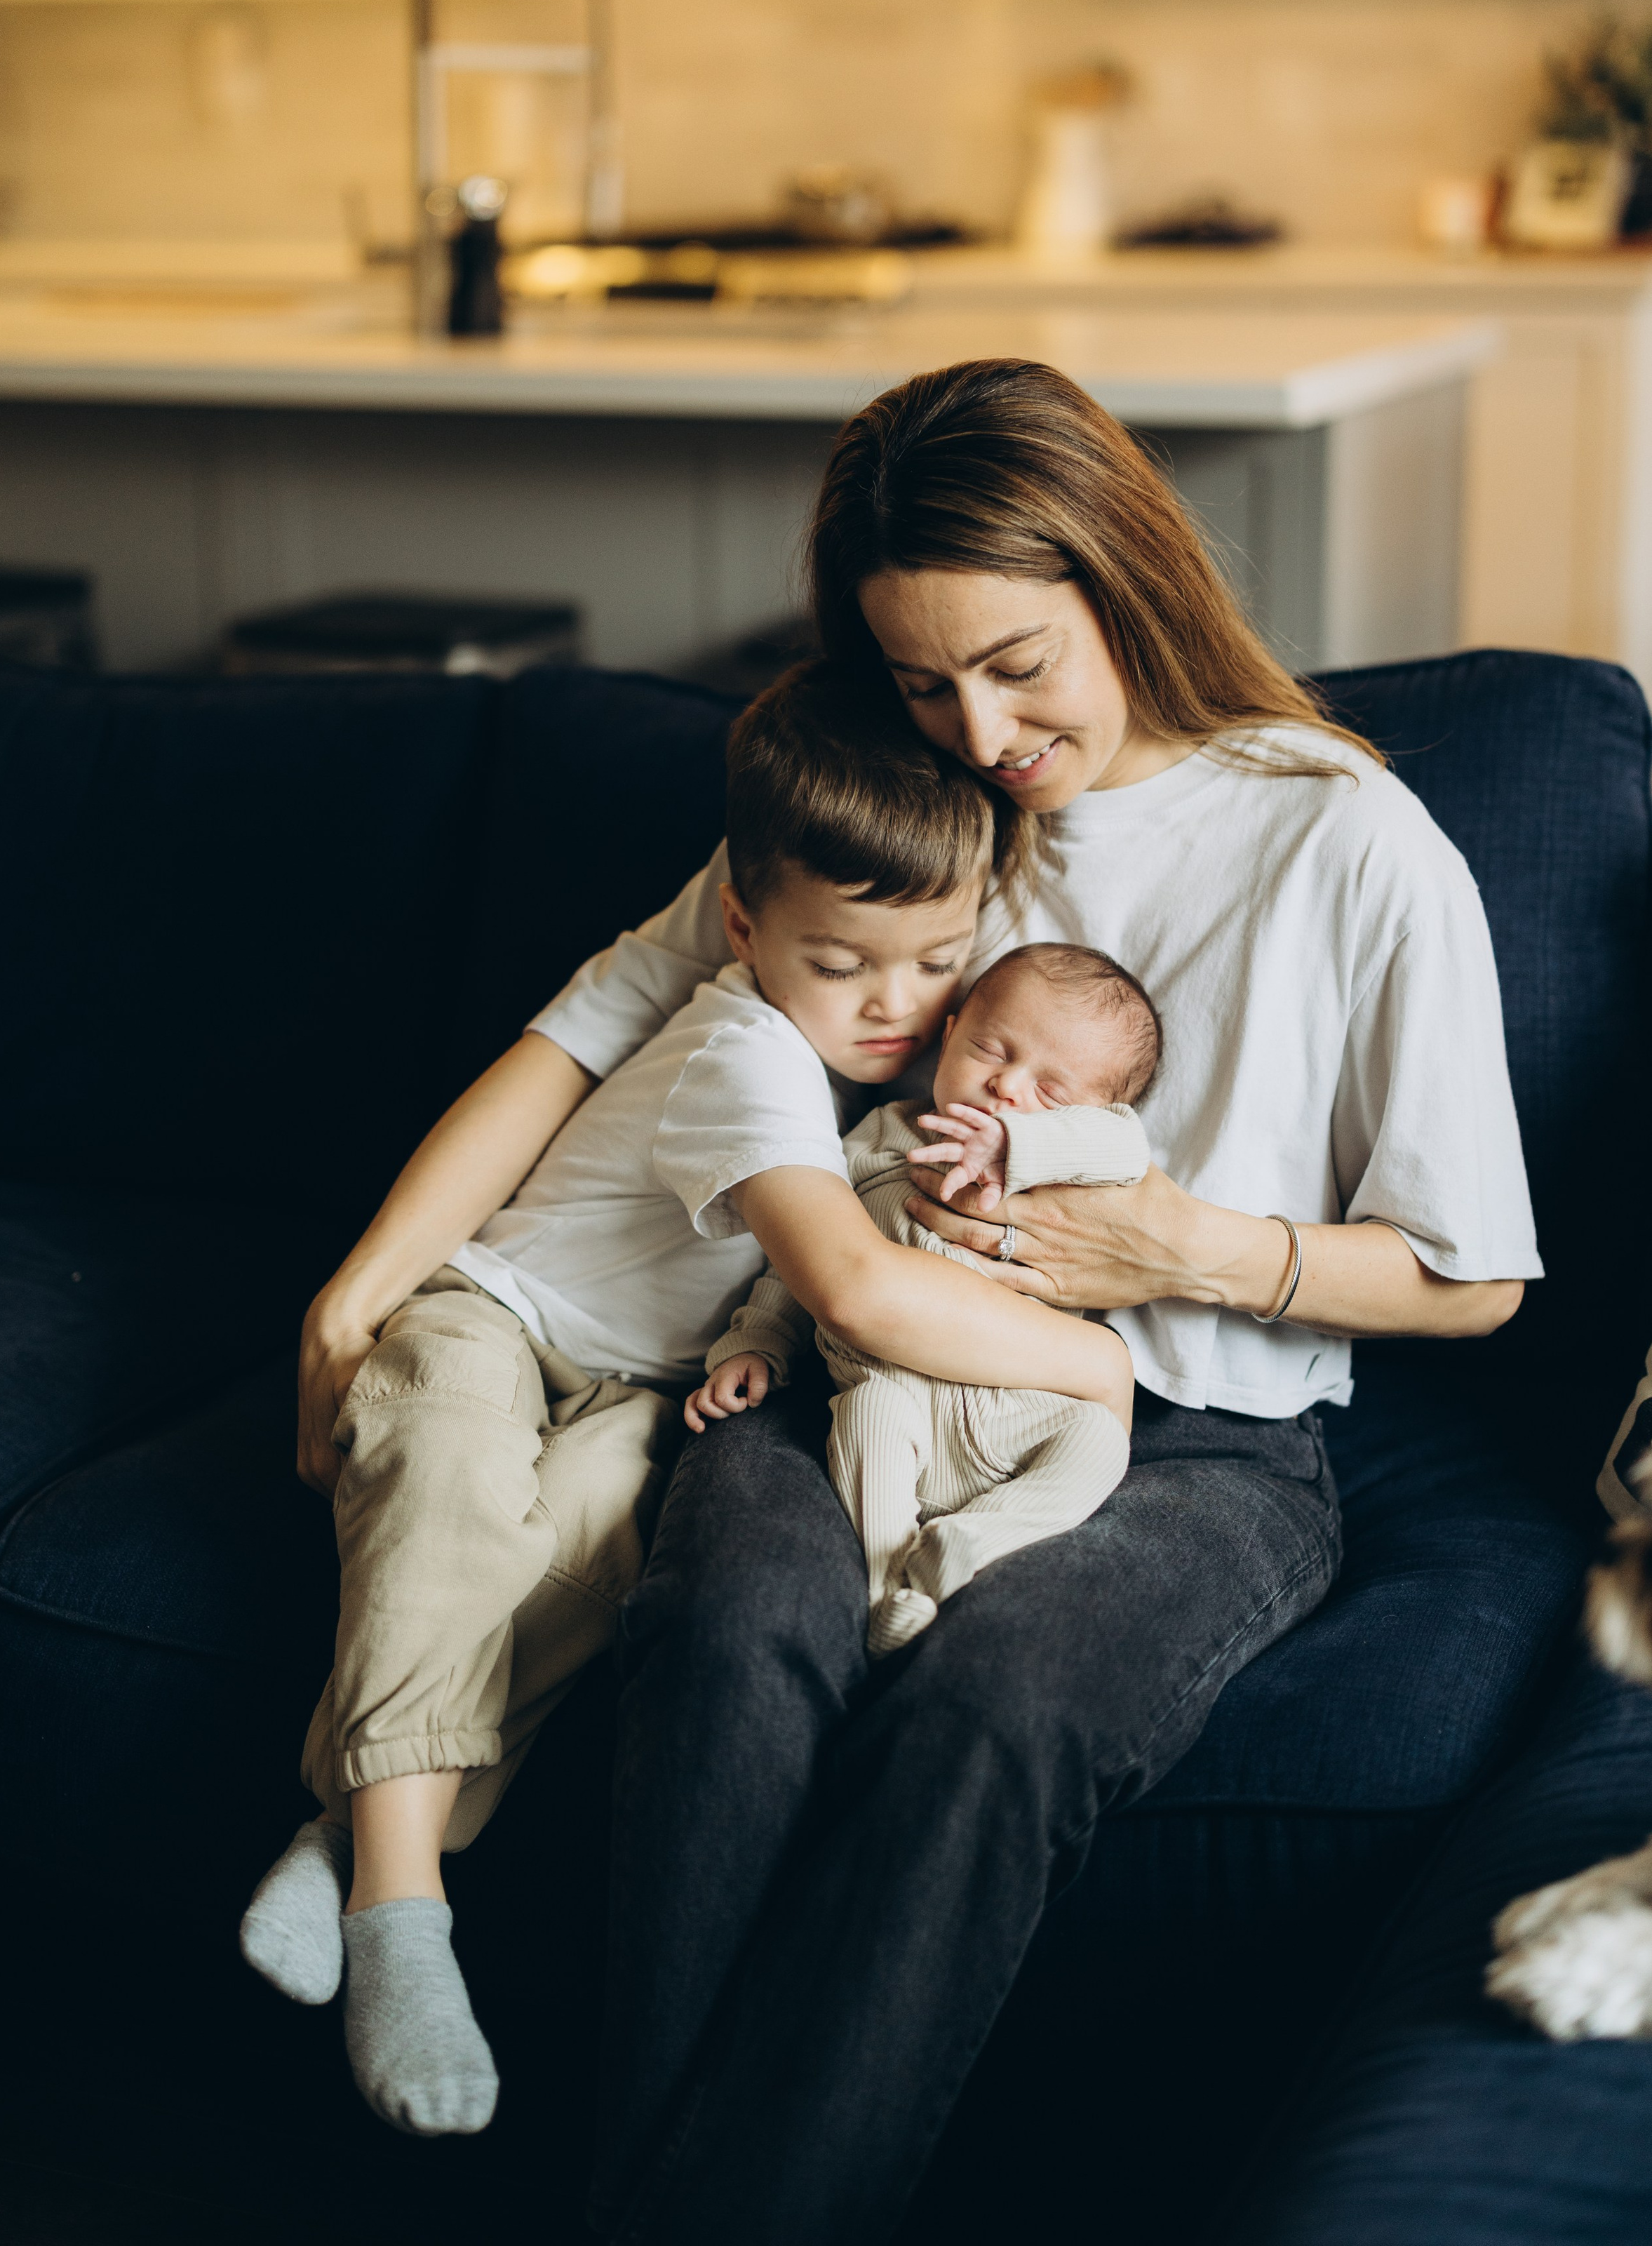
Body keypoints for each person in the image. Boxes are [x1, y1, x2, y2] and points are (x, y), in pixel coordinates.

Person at [293, 354, 1538, 2243]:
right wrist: (362, 1293)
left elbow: (1475, 1280)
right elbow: (591, 1023)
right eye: (921, 678)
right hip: (842, 1360)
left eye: (1019, 664)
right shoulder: (903, 809)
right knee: (721, 1635)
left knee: (993, 1709)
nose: (977, 725)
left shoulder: (1343, 839)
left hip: (1193, 1428)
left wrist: (1182, 1251)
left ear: (1126, 578)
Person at [255, 660, 1128, 2139]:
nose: (892, 1008)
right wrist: (1098, 1368)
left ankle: (342, 1829)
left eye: (930, 966)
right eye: (843, 963)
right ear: (739, 922)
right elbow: (846, 1279)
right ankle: (401, 1915)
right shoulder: (750, 1049)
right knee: (451, 1500)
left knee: (589, 1559)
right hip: (498, 1309)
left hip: (639, 1375)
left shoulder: (900, 1063)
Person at [688, 941, 1160, 1653]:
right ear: (948, 1037)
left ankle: (967, 1546)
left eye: (1052, 1093)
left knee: (1097, 1441)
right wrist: (756, 1341)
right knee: (868, 1415)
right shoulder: (876, 1140)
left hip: (1027, 1413)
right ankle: (888, 1587)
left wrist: (1020, 1149)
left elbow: (1126, 1146)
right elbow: (798, 1259)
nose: (1007, 1088)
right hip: (896, 1396)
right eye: (992, 1050)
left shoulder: (1073, 1180)